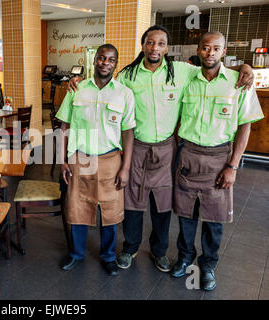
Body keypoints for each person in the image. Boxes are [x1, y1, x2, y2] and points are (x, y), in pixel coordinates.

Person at [68, 25, 254, 273]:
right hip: (136, 147)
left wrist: (246, 68)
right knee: (133, 200)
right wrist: (78, 81)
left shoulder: (183, 72)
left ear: (167, 47)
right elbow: (104, 84)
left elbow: (213, 68)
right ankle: (130, 248)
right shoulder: (127, 76)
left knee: (163, 203)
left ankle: (159, 252)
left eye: (160, 43)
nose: (154, 47)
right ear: (143, 45)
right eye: (150, 42)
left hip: (167, 149)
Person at [170, 32, 264, 291]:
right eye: (205, 48)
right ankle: (185, 258)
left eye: (216, 49)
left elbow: (245, 126)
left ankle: (208, 266)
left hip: (220, 157)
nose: (210, 52)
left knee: (215, 219)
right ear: (198, 51)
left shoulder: (239, 82)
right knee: (186, 215)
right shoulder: (187, 78)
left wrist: (233, 166)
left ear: (224, 52)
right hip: (188, 154)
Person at [56, 44, 135, 276]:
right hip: (79, 158)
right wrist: (63, 160)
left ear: (115, 64)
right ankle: (76, 253)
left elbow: (128, 132)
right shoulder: (76, 89)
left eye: (111, 60)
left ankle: (108, 256)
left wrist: (126, 167)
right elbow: (64, 126)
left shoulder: (124, 94)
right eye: (101, 58)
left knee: (109, 212)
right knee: (77, 208)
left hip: (111, 159)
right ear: (94, 61)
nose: (105, 63)